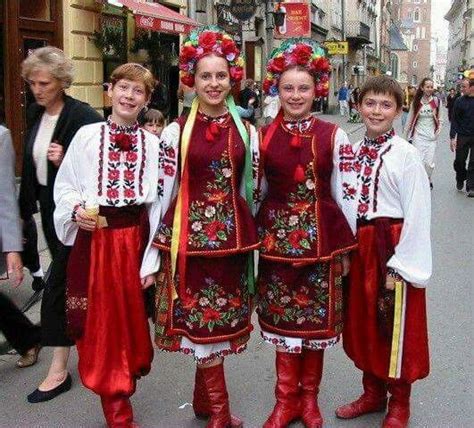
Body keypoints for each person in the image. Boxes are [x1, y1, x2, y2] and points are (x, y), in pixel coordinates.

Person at [154, 26, 259, 428]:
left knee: (213, 326)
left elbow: (254, 191)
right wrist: (153, 251)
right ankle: (219, 414)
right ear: (191, 81)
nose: (214, 83)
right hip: (189, 243)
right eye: (205, 76)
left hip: (231, 244)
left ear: (232, 78)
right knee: (201, 323)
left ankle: (203, 401)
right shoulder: (174, 132)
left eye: (220, 76)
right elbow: (164, 194)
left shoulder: (248, 132)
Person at [53, 63, 160, 427]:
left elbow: (158, 207)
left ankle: (124, 385)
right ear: (109, 91)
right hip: (96, 243)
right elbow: (65, 184)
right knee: (100, 325)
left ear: (146, 101)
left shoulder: (153, 144)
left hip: (134, 241)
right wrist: (75, 209)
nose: (129, 96)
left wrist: (151, 260)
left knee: (130, 324)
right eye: (124, 88)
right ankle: (116, 407)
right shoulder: (86, 136)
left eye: (138, 91)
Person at [258, 39, 356, 428]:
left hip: (321, 245)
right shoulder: (262, 136)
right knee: (284, 324)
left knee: (315, 325)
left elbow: (344, 196)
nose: (296, 95)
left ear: (318, 90)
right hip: (276, 245)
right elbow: (258, 191)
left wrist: (345, 249)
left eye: (303, 88)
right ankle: (285, 401)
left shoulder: (335, 136)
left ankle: (309, 401)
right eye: (288, 88)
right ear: (277, 91)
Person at [333, 76, 431, 428]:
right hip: (360, 247)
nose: (377, 111)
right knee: (363, 322)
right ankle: (372, 393)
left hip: (391, 248)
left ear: (398, 110)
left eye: (386, 105)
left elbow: (418, 212)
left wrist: (400, 266)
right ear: (358, 106)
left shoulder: (406, 155)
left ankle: (399, 403)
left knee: (395, 325)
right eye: (370, 103)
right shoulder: (353, 150)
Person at [19, 47, 103, 403]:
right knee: (73, 288)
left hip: (77, 218)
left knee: (56, 290)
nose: (37, 89)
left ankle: (58, 369)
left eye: (45, 83)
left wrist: (65, 156)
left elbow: (101, 164)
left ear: (62, 82)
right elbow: (32, 167)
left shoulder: (82, 115)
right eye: (33, 82)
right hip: (49, 213)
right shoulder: (36, 114)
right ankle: (98, 347)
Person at [0, 124, 42, 368]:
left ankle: (27, 339)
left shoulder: (2, 136)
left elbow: (5, 196)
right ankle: (28, 338)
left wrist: (13, 247)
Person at [404, 77, 440, 187]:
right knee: (419, 161)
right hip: (418, 136)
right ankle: (421, 182)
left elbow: (439, 118)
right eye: (427, 87)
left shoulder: (434, 101)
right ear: (422, 88)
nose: (430, 89)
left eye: (431, 87)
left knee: (429, 164)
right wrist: (405, 138)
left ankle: (427, 177)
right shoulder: (417, 102)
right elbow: (409, 120)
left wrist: (438, 131)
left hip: (431, 137)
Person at [450, 78, 474, 196]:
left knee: (473, 162)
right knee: (459, 161)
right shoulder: (459, 101)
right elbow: (454, 120)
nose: (462, 89)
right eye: (461, 87)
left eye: (464, 87)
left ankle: (471, 187)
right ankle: (460, 176)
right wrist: (452, 137)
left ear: (472, 87)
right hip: (463, 135)